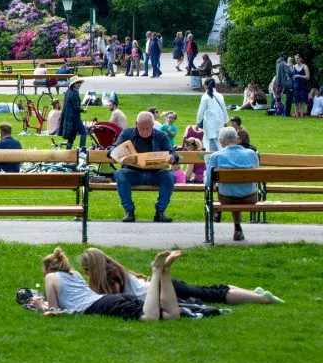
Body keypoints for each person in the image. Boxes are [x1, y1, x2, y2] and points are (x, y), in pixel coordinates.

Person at [27, 247, 184, 321]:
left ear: (47, 269)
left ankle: (157, 271)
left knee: (150, 318)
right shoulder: (74, 274)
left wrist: (41, 306)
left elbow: (55, 311)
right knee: (171, 315)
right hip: (108, 300)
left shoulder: (50, 277)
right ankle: (165, 272)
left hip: (100, 305)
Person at [78, 248, 282, 304]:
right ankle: (254, 293)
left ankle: (262, 298)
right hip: (162, 286)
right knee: (211, 290)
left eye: (86, 270)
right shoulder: (115, 267)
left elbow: (113, 299)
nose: (86, 274)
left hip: (162, 291)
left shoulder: (111, 276)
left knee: (213, 295)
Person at [110, 111, 179, 223]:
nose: (145, 131)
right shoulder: (127, 133)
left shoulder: (161, 135)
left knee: (169, 176)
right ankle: (129, 211)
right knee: (120, 174)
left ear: (153, 125)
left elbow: (173, 153)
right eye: (142, 128)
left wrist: (172, 157)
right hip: (133, 173)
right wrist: (115, 154)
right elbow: (113, 148)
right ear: (136, 123)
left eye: (148, 128)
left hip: (155, 173)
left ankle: (160, 212)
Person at [206, 127, 261, 241]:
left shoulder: (216, 156)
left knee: (230, 191)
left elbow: (208, 181)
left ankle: (235, 227)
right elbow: (257, 172)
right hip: (250, 198)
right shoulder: (251, 153)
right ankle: (237, 229)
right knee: (237, 189)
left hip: (226, 199)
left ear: (221, 141)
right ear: (236, 139)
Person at [196, 78, 229, 151]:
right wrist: (226, 121)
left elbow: (201, 111)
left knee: (208, 141)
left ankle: (210, 157)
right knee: (219, 140)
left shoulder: (205, 96)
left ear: (206, 85)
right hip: (220, 121)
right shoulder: (220, 96)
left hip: (210, 122)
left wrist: (198, 122)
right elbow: (224, 110)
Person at [58, 76, 87, 149]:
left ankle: (67, 152)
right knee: (83, 132)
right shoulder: (74, 93)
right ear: (73, 84)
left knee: (71, 136)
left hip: (68, 116)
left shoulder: (68, 91)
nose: (79, 84)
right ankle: (82, 149)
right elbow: (76, 108)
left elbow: (71, 104)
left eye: (80, 83)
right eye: (77, 83)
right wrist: (83, 110)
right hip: (74, 117)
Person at [276, 52, 293, 117]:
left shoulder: (278, 62)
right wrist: (291, 67)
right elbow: (289, 72)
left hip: (279, 82)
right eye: (286, 55)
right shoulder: (284, 63)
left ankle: (279, 111)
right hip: (286, 83)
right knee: (288, 98)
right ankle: (286, 113)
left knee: (278, 98)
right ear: (283, 55)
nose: (287, 56)